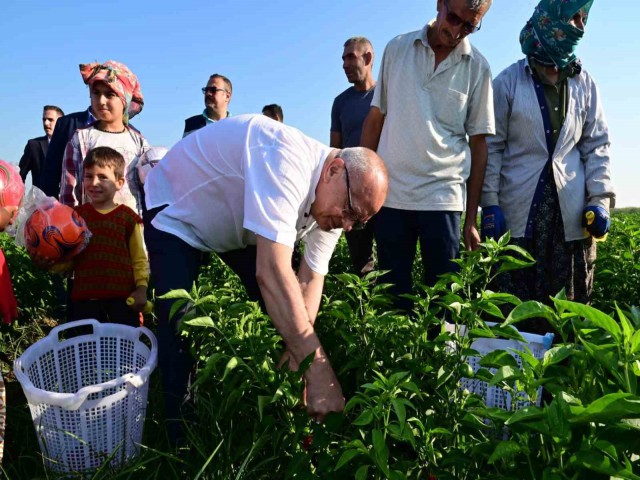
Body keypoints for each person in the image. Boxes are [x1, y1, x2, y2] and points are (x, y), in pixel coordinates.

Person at [143, 114, 388, 442]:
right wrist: (319, 373)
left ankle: (272, 409)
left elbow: (309, 280)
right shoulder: (286, 158)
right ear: (334, 169)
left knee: (284, 317)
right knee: (180, 325)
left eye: (357, 222)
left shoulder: (331, 208)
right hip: (177, 207)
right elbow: (272, 271)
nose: (347, 226)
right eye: (349, 212)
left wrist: (297, 357)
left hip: (235, 222)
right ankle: (181, 438)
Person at [480, 0, 613, 333]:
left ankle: (561, 382)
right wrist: (490, 203)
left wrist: (600, 199)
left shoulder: (585, 83)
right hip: (520, 216)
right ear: (551, 18)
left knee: (568, 311)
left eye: (584, 20)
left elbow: (596, 146)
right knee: (515, 313)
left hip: (570, 220)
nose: (579, 27)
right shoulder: (509, 82)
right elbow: (492, 147)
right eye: (573, 18)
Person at [360, 0, 494, 311]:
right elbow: (376, 118)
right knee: (392, 299)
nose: (457, 30)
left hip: (443, 199)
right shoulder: (397, 49)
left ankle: (441, 361)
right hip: (392, 196)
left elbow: (479, 145)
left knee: (445, 302)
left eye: (470, 26)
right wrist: (361, 187)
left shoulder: (478, 67)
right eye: (454, 18)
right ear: (440, 3)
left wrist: (471, 217)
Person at [64, 146, 148, 326]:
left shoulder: (128, 218)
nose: (94, 183)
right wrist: (53, 262)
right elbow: (69, 258)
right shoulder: (76, 217)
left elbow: (139, 259)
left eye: (103, 177)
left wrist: (141, 288)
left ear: (119, 182)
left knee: (123, 349)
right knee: (87, 349)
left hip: (122, 301)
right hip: (85, 301)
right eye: (88, 176)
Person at [60, 61, 149, 214]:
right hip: (90, 230)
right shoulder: (81, 139)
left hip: (130, 229)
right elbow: (68, 193)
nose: (101, 101)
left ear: (125, 100)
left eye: (109, 95)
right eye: (96, 93)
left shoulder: (139, 142)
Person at [331, 36, 377, 276]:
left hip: (387, 194)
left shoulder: (385, 95)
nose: (345, 64)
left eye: (351, 57)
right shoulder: (340, 103)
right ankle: (366, 311)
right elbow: (334, 153)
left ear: (368, 58)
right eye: (343, 58)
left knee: (392, 258)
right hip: (353, 197)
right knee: (361, 263)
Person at [18, 105, 64, 188]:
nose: (46, 123)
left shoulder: (71, 145)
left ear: (61, 122)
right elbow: (19, 176)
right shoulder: (33, 145)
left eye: (50, 120)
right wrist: (19, 197)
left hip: (67, 199)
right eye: (44, 119)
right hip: (41, 199)